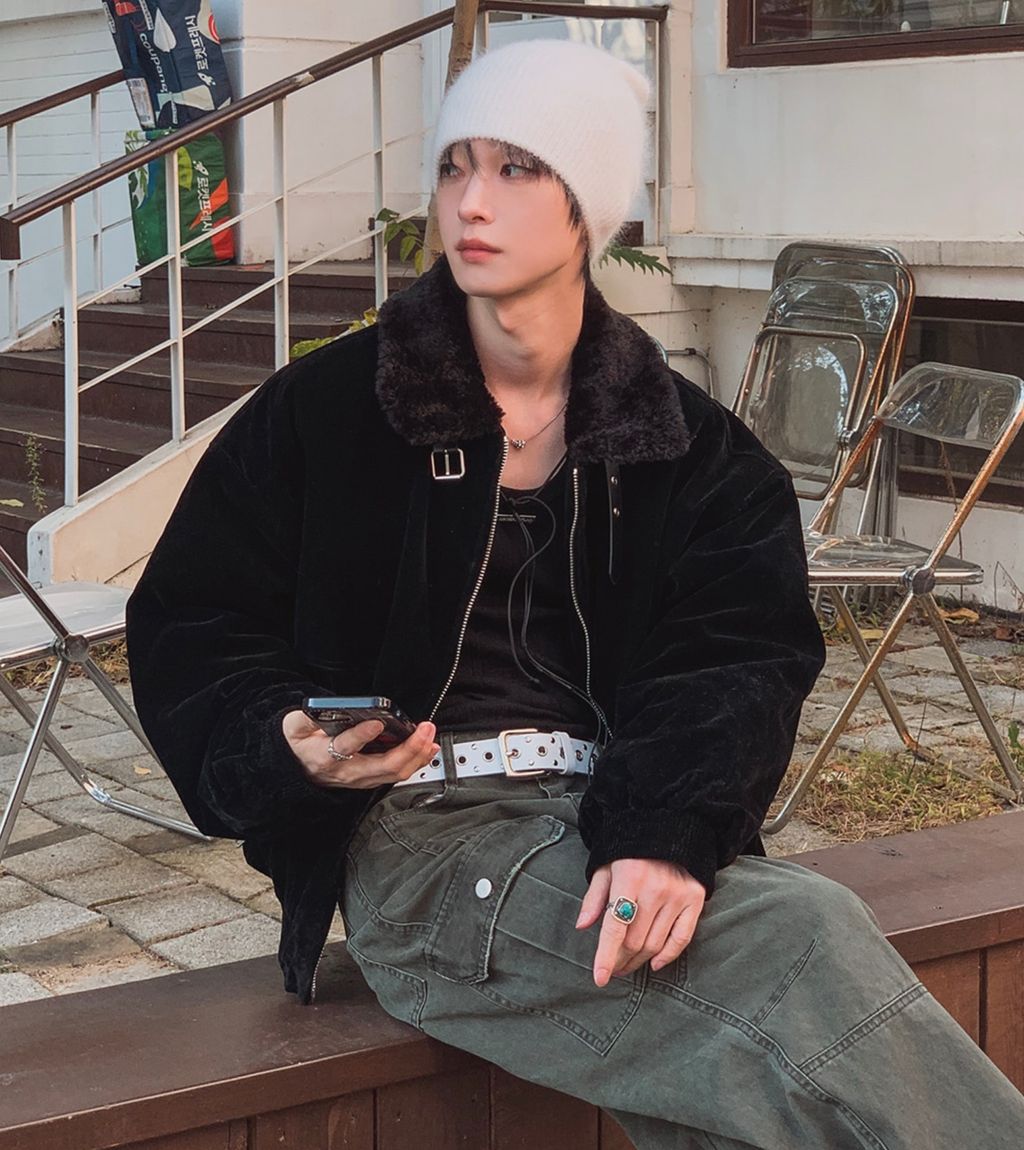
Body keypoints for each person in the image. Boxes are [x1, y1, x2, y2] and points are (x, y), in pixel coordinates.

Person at [126, 38, 1024, 1150]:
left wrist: (661, 828)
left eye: (516, 167)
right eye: (454, 166)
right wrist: (286, 744)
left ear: (589, 207)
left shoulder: (694, 453)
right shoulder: (327, 414)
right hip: (423, 844)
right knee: (798, 931)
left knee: (731, 1100)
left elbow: (735, 660)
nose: (471, 202)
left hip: (609, 818)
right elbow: (194, 621)